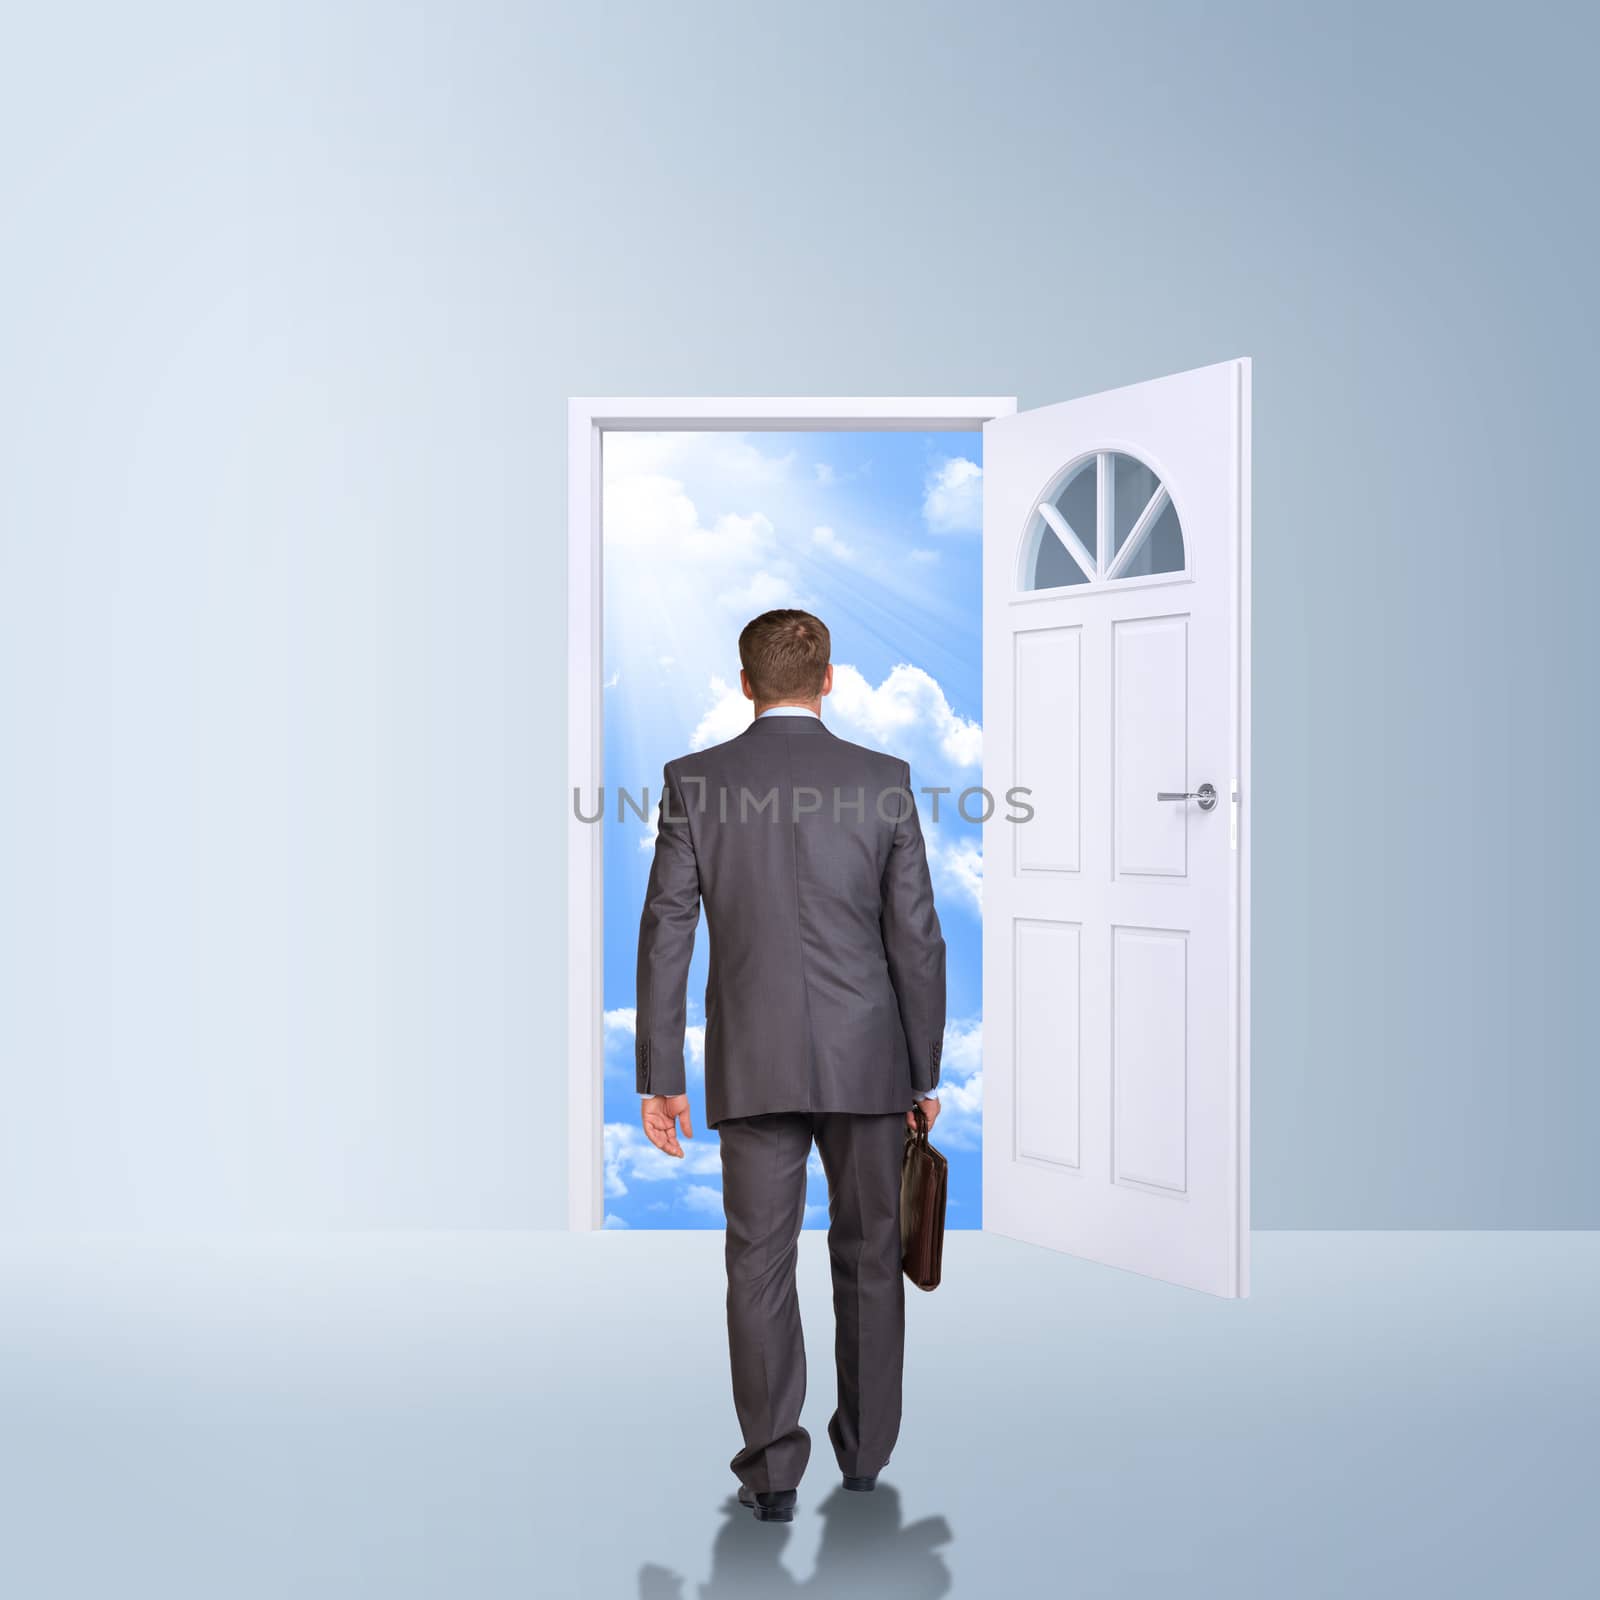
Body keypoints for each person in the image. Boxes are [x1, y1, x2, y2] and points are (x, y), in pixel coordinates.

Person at [635, 608, 946, 1525]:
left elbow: (666, 932)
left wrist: (661, 1075)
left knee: (759, 1264)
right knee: (869, 1258)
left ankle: (772, 1475)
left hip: (751, 1059)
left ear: (744, 684)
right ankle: (865, 1458)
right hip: (869, 1062)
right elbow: (917, 941)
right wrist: (921, 1070)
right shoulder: (883, 781)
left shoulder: (695, 781)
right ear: (830, 680)